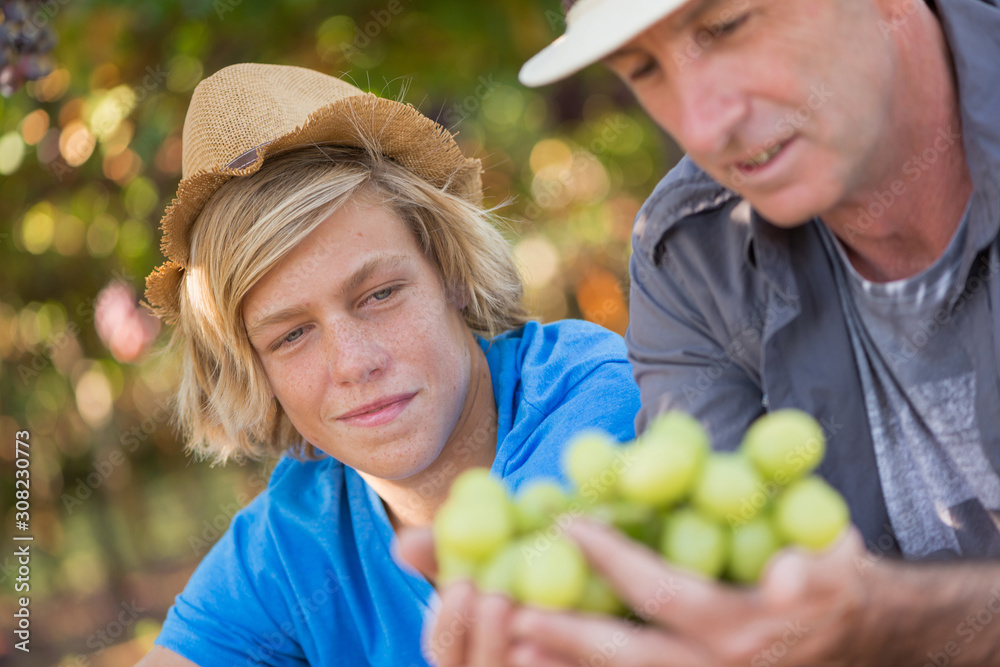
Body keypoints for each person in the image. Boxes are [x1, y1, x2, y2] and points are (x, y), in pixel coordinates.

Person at [398, 0, 1000, 664]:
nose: (705, 125)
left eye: (729, 26)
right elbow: (730, 586)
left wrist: (900, 621)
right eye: (645, 68)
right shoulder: (689, 252)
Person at [134, 63, 641, 667]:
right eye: (292, 334)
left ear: (449, 271)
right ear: (255, 370)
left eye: (379, 295)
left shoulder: (592, 401)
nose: (354, 364)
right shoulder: (293, 539)